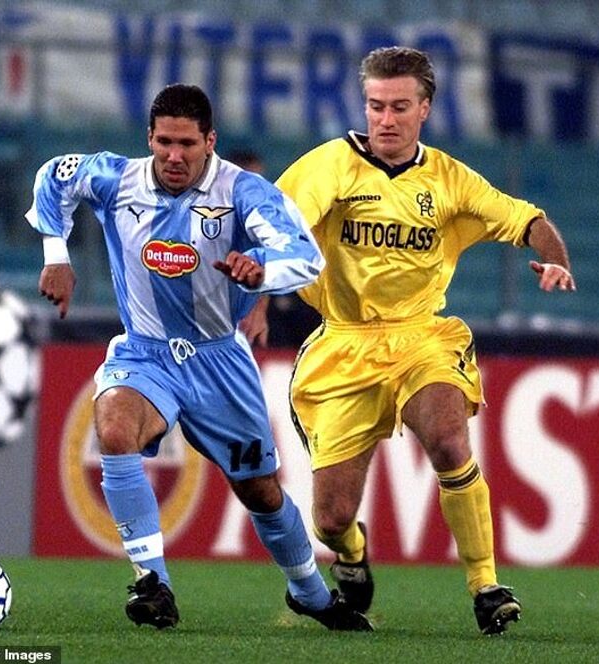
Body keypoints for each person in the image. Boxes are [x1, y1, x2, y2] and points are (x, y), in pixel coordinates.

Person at [25, 83, 372, 632]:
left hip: (219, 360)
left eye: (187, 143)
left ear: (210, 141)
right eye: (164, 142)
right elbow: (54, 177)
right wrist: (56, 255)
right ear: (149, 138)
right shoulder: (116, 178)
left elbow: (305, 255)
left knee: (260, 491)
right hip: (145, 352)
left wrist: (263, 269)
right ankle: (152, 583)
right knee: (114, 426)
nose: (174, 156)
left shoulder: (244, 192)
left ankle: (308, 591)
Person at [274, 47, 576, 635]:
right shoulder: (330, 165)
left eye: (398, 107)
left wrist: (556, 260)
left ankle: (486, 586)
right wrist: (260, 285)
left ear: (425, 109)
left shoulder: (449, 178)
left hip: (421, 337)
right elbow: (281, 226)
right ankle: (352, 552)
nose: (385, 119)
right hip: (344, 345)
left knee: (447, 438)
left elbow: (527, 219)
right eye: (375, 106)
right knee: (330, 518)